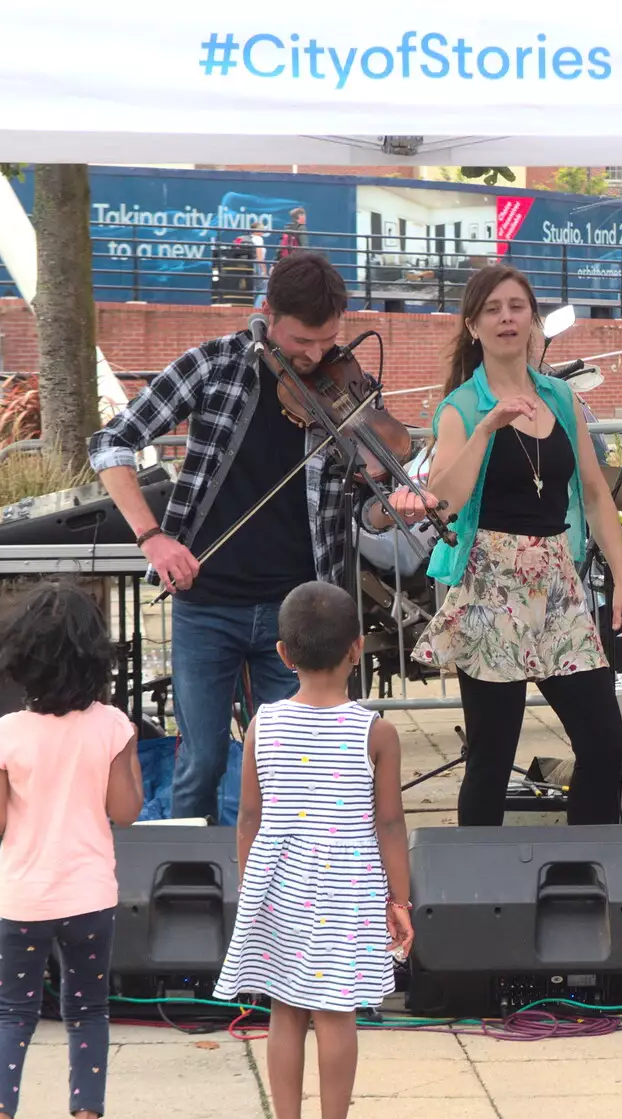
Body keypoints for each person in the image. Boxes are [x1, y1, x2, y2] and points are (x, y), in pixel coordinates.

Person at [89, 252, 435, 823]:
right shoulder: (214, 364)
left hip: (296, 609)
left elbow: (365, 512)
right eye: (301, 340)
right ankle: (190, 886)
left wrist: (391, 505)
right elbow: (111, 443)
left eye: (329, 341)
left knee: (294, 765)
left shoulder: (348, 387)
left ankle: (283, 887)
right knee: (201, 760)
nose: (316, 356)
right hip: (208, 603)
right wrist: (152, 538)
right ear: (267, 315)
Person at [398, 264, 622, 827]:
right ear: (473, 324)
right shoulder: (462, 406)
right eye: (493, 309)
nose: (507, 317)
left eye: (517, 306)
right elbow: (443, 499)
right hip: (491, 586)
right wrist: (487, 428)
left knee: (605, 743)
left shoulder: (559, 396)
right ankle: (480, 896)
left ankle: (587, 871)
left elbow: (596, 494)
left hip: (558, 584)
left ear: (533, 318)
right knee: (492, 756)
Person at [213, 581, 412, 1119]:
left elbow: (249, 816)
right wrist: (398, 898)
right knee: (336, 1013)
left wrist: (252, 885)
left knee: (284, 1011)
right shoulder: (375, 732)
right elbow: (390, 823)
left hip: (279, 883)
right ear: (358, 649)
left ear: (283, 654)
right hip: (347, 884)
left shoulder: (262, 726)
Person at [0, 581, 144, 1119]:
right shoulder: (112, 725)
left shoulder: (5, 735)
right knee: (87, 1008)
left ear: (19, 657)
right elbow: (124, 811)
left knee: (11, 1011)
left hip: (21, 896)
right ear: (96, 655)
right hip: (89, 894)